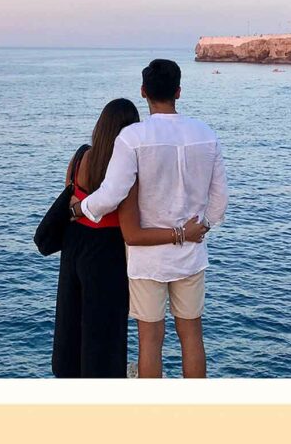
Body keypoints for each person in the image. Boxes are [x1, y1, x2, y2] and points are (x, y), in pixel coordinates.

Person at [69, 59, 228, 378]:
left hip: (147, 260)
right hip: (190, 258)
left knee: (150, 342)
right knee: (192, 337)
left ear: (143, 92)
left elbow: (112, 193)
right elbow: (220, 200)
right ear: (179, 92)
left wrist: (80, 208)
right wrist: (199, 229)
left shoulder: (132, 138)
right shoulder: (206, 134)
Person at [52, 98, 207, 378]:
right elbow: (129, 221)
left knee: (71, 318)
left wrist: (79, 209)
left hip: (75, 246)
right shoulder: (126, 164)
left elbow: (70, 196)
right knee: (107, 327)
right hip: (108, 250)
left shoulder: (79, 158)